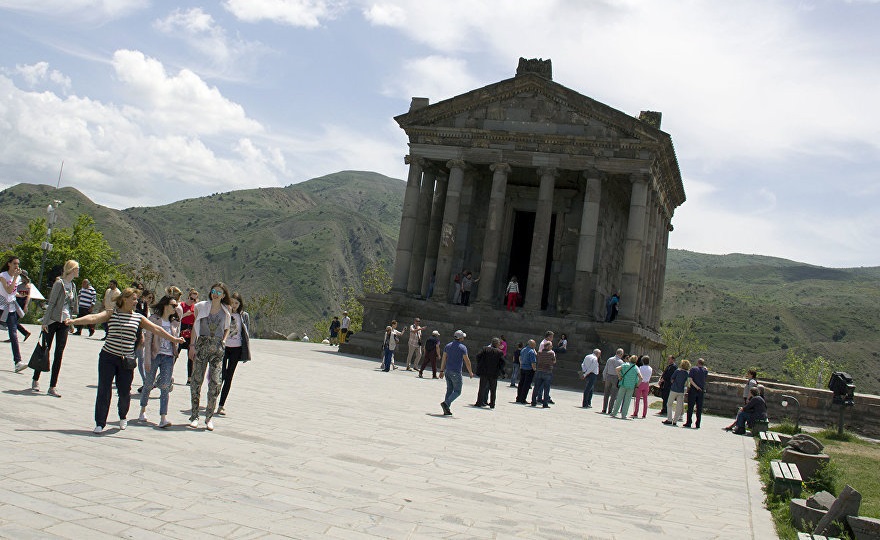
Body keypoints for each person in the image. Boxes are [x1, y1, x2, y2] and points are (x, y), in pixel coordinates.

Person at [67, 287, 184, 434]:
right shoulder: (111, 313)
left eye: (137, 299)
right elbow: (93, 318)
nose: (136, 302)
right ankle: (100, 423)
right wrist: (73, 321)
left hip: (127, 360)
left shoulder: (138, 318)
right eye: (134, 299)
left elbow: (156, 329)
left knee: (124, 392)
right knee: (104, 390)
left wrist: (173, 339)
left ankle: (123, 416)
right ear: (124, 299)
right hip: (108, 357)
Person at [31, 260, 79, 397]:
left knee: (59, 353)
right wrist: (45, 322)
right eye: (77, 269)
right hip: (53, 321)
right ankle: (35, 378)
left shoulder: (73, 286)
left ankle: (52, 386)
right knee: (45, 350)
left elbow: (71, 306)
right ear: (71, 269)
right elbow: (51, 303)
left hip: (64, 322)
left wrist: (71, 323)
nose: (78, 271)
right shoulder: (59, 284)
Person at [188, 283, 232, 431]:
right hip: (202, 344)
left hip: (217, 347)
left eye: (219, 292)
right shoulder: (201, 306)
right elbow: (195, 326)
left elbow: (227, 328)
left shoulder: (226, 311)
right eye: (214, 291)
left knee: (215, 382)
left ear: (224, 295)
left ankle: (209, 417)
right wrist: (192, 346)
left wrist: (224, 341)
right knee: (196, 380)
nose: (216, 294)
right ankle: (194, 416)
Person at [137, 295, 181, 427]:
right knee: (149, 383)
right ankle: (143, 409)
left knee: (165, 386)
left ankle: (163, 417)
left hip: (168, 356)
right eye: (173, 305)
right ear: (165, 305)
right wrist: (147, 360)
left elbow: (175, 339)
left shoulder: (175, 322)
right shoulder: (154, 320)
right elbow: (149, 339)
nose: (175, 308)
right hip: (155, 355)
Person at [217, 292, 251, 416]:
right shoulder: (224, 313)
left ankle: (221, 405)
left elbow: (246, 333)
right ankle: (213, 398)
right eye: (232, 303)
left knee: (229, 376)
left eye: (236, 303)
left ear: (240, 304)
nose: (234, 305)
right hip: (224, 347)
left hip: (236, 348)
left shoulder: (243, 316)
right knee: (221, 374)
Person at [1, 255, 28, 372]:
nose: (17, 266)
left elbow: (13, 292)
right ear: (9, 264)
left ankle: (18, 361)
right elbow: (8, 290)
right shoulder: (3, 276)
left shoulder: (17, 278)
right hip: (1, 305)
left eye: (18, 264)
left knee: (13, 333)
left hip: (11, 307)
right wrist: (15, 278)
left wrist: (20, 295)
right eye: (15, 263)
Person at [439, 330, 473, 415]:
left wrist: (441, 370)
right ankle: (446, 404)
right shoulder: (462, 348)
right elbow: (467, 361)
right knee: (457, 391)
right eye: (463, 337)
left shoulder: (448, 346)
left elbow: (444, 359)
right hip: (456, 372)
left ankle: (446, 409)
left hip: (448, 371)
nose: (464, 338)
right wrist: (470, 372)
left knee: (449, 390)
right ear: (460, 338)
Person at [473, 337, 505, 408]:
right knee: (493, 389)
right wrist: (501, 371)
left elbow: (478, 356)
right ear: (497, 344)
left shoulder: (485, 349)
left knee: (482, 388)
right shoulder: (500, 352)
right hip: (494, 373)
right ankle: (492, 404)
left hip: (484, 372)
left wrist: (481, 364)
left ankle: (479, 402)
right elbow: (502, 363)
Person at [134, 289, 154, 394]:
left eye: (152, 298)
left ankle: (146, 381)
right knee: (138, 359)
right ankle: (146, 381)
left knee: (138, 359)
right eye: (149, 297)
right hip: (138, 335)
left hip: (143, 335)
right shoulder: (139, 305)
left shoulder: (145, 306)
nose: (150, 300)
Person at [662, 359, 691, 426]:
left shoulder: (677, 371)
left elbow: (672, 379)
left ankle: (669, 419)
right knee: (679, 406)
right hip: (681, 391)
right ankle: (675, 421)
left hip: (674, 389)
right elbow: (687, 383)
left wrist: (674, 383)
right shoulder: (687, 373)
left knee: (669, 404)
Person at [684, 358, 709, 429]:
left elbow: (690, 380)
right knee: (699, 408)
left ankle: (689, 422)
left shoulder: (693, 369)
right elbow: (706, 370)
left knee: (690, 407)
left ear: (697, 362)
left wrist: (696, 386)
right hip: (701, 391)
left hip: (693, 390)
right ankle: (698, 423)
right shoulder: (705, 371)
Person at [179, 288, 198, 381]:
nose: (192, 301)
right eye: (191, 298)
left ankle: (189, 378)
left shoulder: (195, 308)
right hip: (181, 329)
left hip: (191, 330)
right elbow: (177, 318)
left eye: (194, 300)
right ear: (188, 297)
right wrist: (186, 314)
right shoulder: (181, 305)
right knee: (176, 352)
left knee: (191, 355)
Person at [531, 342, 556, 408]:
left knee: (536, 387)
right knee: (546, 388)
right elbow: (554, 361)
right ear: (547, 347)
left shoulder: (539, 353)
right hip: (547, 372)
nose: (552, 347)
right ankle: (545, 403)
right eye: (551, 346)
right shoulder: (551, 353)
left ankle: (533, 402)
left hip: (539, 371)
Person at [601, 349, 624, 414]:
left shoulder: (610, 359)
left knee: (606, 393)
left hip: (608, 376)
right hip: (616, 377)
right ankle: (610, 409)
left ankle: (604, 409)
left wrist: (604, 377)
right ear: (621, 354)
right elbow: (621, 372)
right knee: (613, 394)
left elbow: (606, 369)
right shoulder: (621, 362)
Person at [13, 270, 32, 341]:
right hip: (16, 302)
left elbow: (28, 296)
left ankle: (24, 333)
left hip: (22, 303)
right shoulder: (19, 284)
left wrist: (26, 305)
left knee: (13, 320)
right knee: (13, 320)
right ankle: (15, 335)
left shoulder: (28, 286)